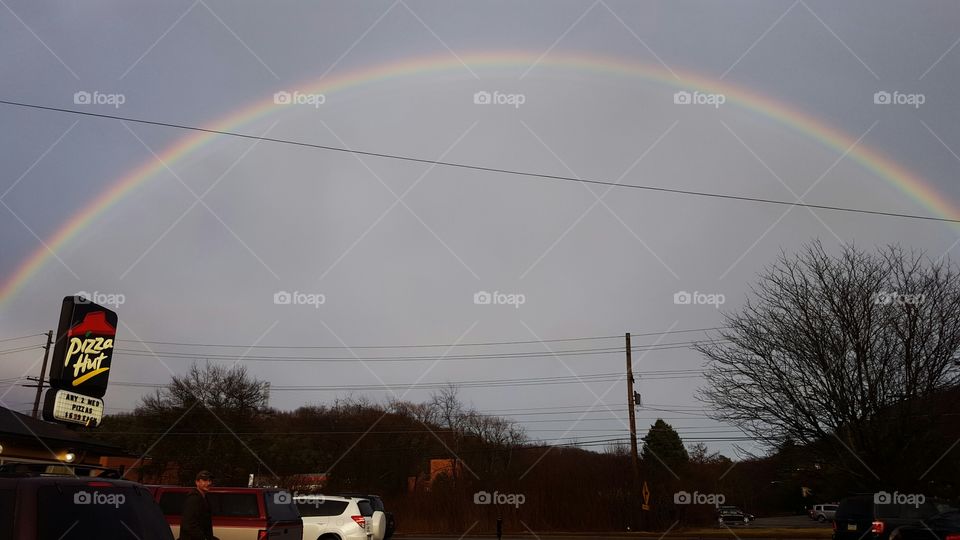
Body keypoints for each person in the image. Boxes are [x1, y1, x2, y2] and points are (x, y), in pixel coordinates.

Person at [180, 470, 216, 540]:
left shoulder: (204, 497)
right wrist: (203, 538)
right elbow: (188, 524)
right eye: (205, 480)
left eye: (210, 480)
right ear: (197, 482)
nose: (208, 483)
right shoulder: (193, 498)